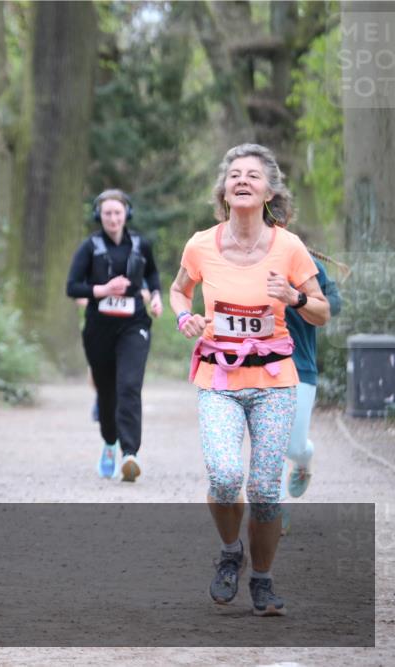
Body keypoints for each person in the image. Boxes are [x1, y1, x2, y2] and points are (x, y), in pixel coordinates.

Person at [169, 143, 330, 616]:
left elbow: (321, 311)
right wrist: (185, 319)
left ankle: (262, 580)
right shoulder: (201, 244)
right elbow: (180, 291)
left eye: (253, 176)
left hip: (276, 381)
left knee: (263, 489)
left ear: (268, 192)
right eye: (234, 174)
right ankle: (229, 553)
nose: (242, 180)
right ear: (224, 189)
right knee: (223, 477)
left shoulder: (290, 247)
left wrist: (296, 300)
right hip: (219, 377)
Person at [66, 189, 162, 482]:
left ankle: (130, 454)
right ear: (99, 215)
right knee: (107, 393)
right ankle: (110, 443)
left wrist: (156, 296)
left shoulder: (141, 244)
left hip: (134, 325)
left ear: (126, 214)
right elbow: (73, 287)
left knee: (129, 386)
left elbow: (154, 275)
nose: (112, 218)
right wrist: (104, 290)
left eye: (117, 212)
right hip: (99, 328)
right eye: (107, 213)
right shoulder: (89, 247)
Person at [278, 249, 344, 533]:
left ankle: (304, 458)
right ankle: (276, 508)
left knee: (293, 446)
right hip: (264, 367)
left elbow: (335, 305)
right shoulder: (248, 259)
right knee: (272, 443)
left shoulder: (307, 264)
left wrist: (300, 298)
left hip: (301, 365)